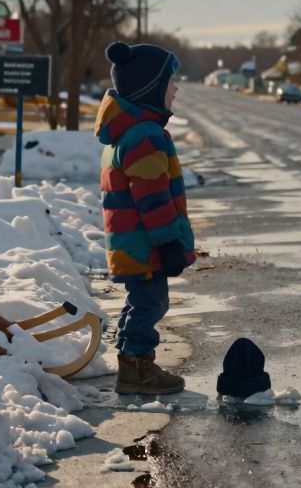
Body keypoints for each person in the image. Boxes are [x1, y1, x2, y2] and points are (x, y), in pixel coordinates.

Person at [95, 40, 196, 394]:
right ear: (152, 87)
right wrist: (169, 242)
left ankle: (132, 361)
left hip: (134, 242)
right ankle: (137, 368)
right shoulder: (145, 136)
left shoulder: (132, 132)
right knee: (151, 302)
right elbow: (152, 198)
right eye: (171, 81)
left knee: (143, 301)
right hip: (145, 244)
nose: (177, 88)